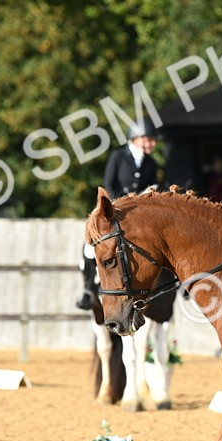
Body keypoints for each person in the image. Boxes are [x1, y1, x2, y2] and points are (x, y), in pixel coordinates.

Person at [76, 124, 167, 310]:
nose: (152, 143)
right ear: (135, 138)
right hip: (114, 210)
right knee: (88, 247)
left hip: (138, 215)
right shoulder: (118, 157)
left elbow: (154, 187)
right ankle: (87, 289)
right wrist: (118, 205)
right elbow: (108, 184)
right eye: (148, 139)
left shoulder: (152, 163)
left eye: (152, 140)